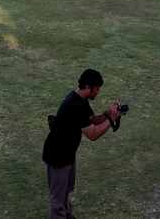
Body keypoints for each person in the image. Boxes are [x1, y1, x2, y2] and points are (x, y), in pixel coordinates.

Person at [42, 69, 120, 219]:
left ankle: (68, 216)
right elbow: (92, 134)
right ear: (88, 87)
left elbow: (92, 119)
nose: (98, 93)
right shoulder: (74, 105)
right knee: (57, 199)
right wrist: (111, 121)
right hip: (58, 156)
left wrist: (107, 114)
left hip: (68, 153)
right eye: (96, 89)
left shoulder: (80, 99)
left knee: (67, 190)